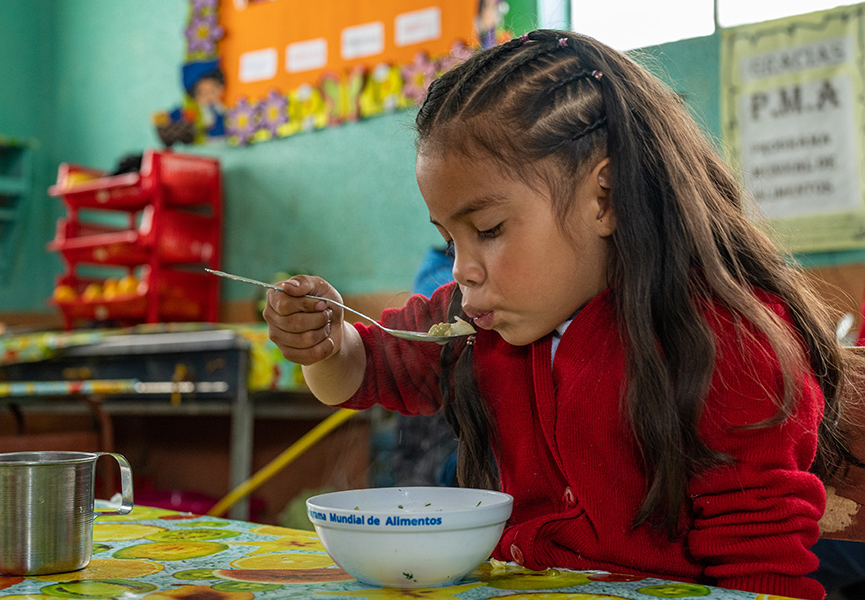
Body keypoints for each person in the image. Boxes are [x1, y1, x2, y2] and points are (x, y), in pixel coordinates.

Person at [263, 29, 862, 600]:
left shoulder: (724, 344)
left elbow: (761, 570)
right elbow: (365, 368)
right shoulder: (479, 324)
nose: (462, 270)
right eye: (450, 242)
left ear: (605, 197)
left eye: (489, 230)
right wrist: (326, 341)